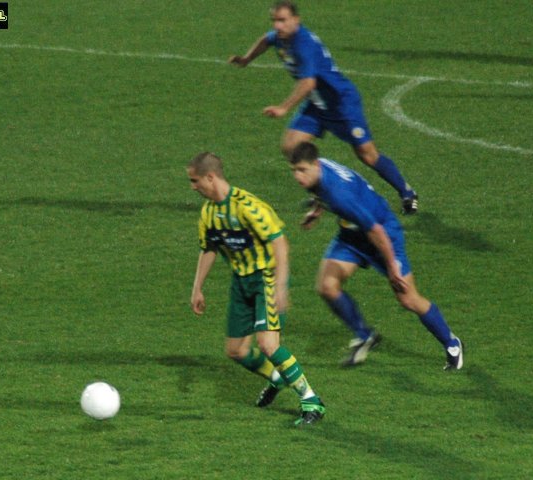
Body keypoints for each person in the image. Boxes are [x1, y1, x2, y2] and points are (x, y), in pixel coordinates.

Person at [229, 1, 419, 215]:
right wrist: (247, 59)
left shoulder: (303, 43)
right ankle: (320, 195)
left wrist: (284, 108)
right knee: (291, 146)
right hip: (317, 104)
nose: (277, 25)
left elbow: (308, 82)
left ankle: (407, 192)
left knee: (367, 155)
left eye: (282, 20)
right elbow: (266, 40)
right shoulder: (281, 37)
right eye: (274, 20)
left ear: (296, 20)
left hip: (341, 104)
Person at [288, 141, 463, 370]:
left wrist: (392, 267)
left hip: (383, 235)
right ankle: (364, 335)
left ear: (315, 165)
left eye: (302, 170)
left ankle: (451, 343)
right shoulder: (319, 173)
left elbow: (376, 231)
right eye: (294, 171)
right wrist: (316, 210)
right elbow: (321, 193)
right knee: (326, 285)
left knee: (408, 298)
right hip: (352, 235)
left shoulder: (339, 193)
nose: (298, 177)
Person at [187, 151, 326, 426]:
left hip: (266, 278)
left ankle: (311, 401)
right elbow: (209, 248)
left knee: (268, 344)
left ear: (210, 177)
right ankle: (277, 378)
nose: (193, 187)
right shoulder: (209, 213)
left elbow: (280, 244)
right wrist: (197, 288)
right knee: (236, 351)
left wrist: (281, 286)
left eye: (195, 180)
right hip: (240, 282)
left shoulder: (249, 207)